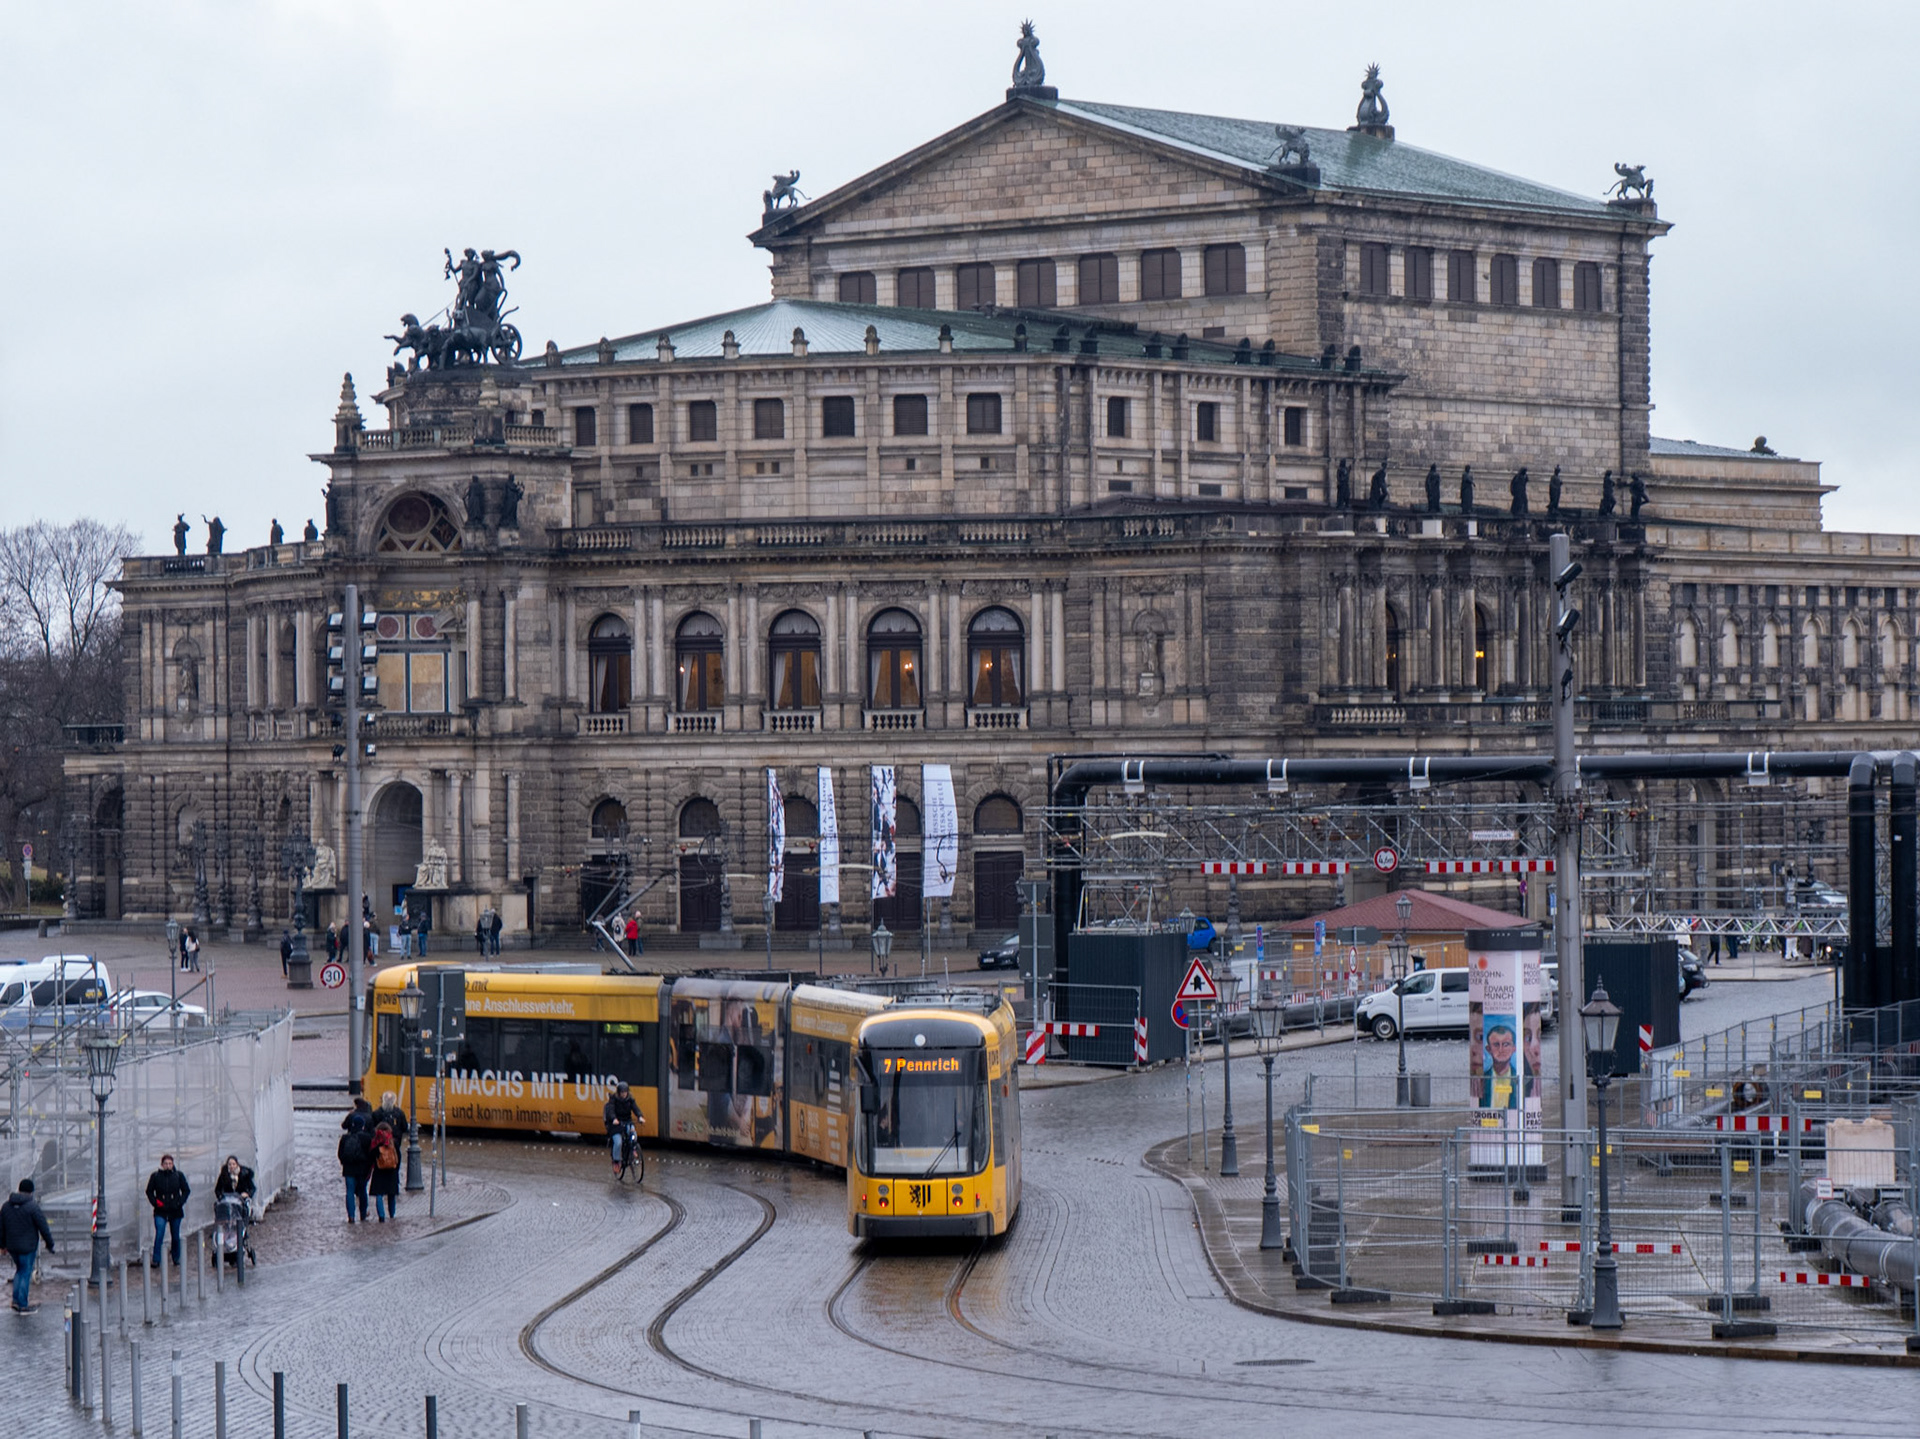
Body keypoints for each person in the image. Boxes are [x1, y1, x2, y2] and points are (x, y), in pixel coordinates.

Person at [2, 1178, 54, 1314]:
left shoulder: (6, 1206)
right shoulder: (32, 1207)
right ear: (31, 1192)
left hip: (12, 1246)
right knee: (25, 1272)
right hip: (28, 1246)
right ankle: (22, 1304)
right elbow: (43, 1226)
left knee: (20, 1270)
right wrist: (50, 1244)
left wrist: (2, 1245)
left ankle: (15, 1300)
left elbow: (1, 1228)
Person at [146, 1155, 190, 1267]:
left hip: (175, 1210)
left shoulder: (178, 1176)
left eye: (170, 1164)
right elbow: (149, 1191)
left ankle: (176, 1257)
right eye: (166, 1164)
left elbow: (186, 1190)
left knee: (175, 1235)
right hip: (160, 1210)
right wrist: (156, 1203)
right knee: (159, 1232)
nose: (168, 1166)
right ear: (162, 1164)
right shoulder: (155, 1176)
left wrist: (180, 1202)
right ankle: (156, 1259)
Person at [213, 1155, 258, 1264]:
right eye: (230, 1164)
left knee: (240, 1224)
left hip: (240, 1205)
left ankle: (239, 1243)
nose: (232, 1166)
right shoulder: (224, 1176)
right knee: (226, 1226)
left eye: (233, 1164)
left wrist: (247, 1194)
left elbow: (252, 1188)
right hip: (228, 1204)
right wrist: (221, 1196)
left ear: (237, 1164)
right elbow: (218, 1189)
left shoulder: (244, 1175)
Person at [337, 1109, 373, 1223]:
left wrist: (344, 1163)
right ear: (362, 1126)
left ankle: (351, 1216)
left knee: (349, 1192)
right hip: (362, 1169)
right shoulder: (367, 1138)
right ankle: (363, 1214)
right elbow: (370, 1154)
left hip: (348, 1169)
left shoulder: (345, 1138)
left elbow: (340, 1153)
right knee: (362, 1191)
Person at [603, 1082, 641, 1179]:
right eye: (622, 1092)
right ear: (619, 1093)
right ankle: (616, 1162)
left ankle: (633, 1149)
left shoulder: (630, 1100)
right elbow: (610, 1110)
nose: (624, 1094)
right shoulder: (613, 1100)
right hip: (616, 1124)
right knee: (618, 1142)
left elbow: (635, 1108)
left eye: (625, 1092)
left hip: (627, 1122)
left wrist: (640, 1116)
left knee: (633, 1134)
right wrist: (614, 1119)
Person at [368, 1123, 401, 1221]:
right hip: (392, 1172)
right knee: (391, 1194)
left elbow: (371, 1157)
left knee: (379, 1194)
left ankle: (381, 1216)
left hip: (379, 1172)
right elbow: (398, 1157)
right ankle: (392, 1214)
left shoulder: (376, 1143)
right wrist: (396, 1169)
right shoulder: (394, 1143)